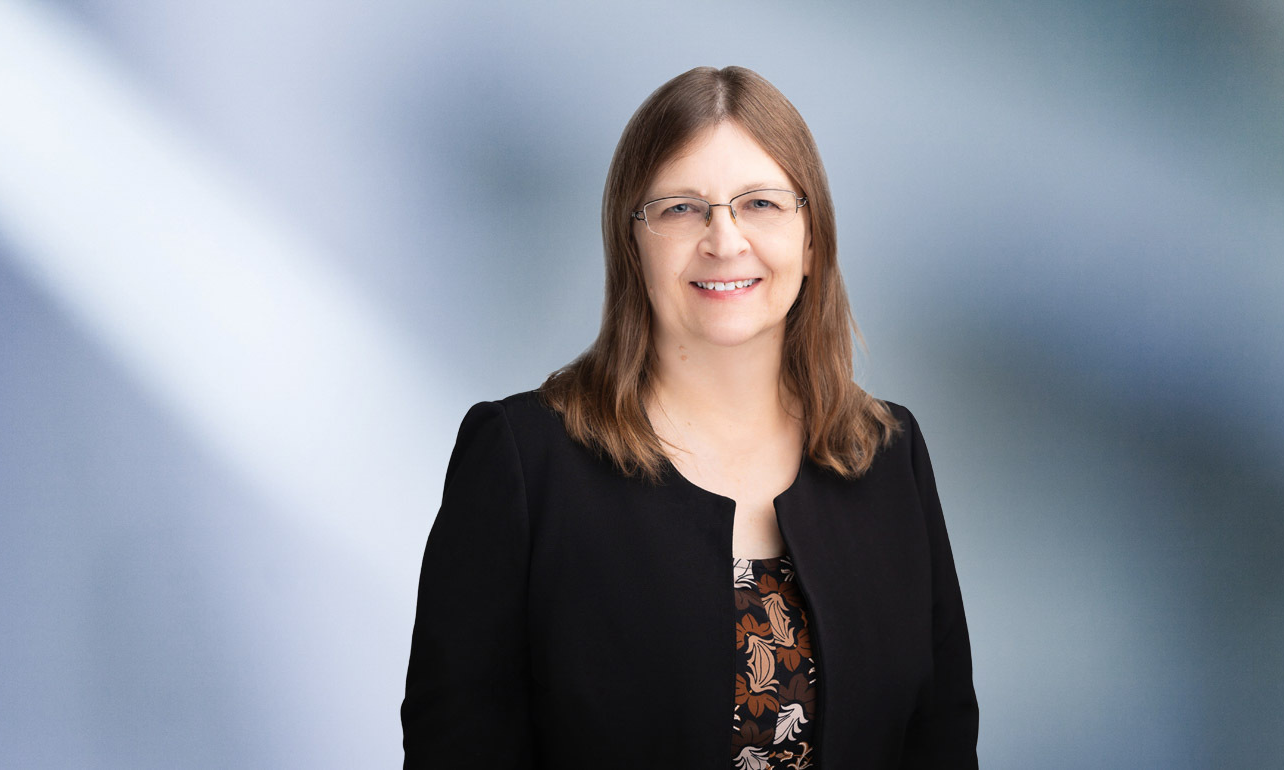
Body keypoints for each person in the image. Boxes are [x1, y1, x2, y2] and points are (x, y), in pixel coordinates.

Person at [400, 65, 979, 769]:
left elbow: (942, 741)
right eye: (681, 208)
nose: (724, 239)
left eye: (760, 204)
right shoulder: (524, 460)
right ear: (632, 241)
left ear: (812, 237)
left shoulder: (889, 456)